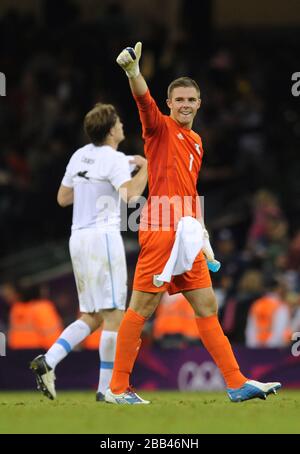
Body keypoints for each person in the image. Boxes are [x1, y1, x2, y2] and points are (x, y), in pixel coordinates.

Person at [104, 42, 281, 404]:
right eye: (178, 100)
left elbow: (186, 188)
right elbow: (143, 103)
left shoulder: (197, 141)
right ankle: (118, 388)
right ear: (169, 104)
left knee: (207, 307)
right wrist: (134, 73)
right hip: (159, 226)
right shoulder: (159, 128)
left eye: (191, 100)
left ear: (199, 104)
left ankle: (235, 383)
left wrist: (199, 229)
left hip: (185, 230)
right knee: (142, 309)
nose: (184, 105)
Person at [30, 102, 148, 401]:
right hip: (102, 238)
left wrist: (97, 183)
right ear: (111, 131)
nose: (122, 125)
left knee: (94, 315)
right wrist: (144, 167)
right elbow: (132, 196)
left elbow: (63, 198)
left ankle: (49, 361)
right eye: (119, 122)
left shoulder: (79, 155)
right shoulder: (114, 157)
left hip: (78, 239)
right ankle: (107, 388)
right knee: (114, 314)